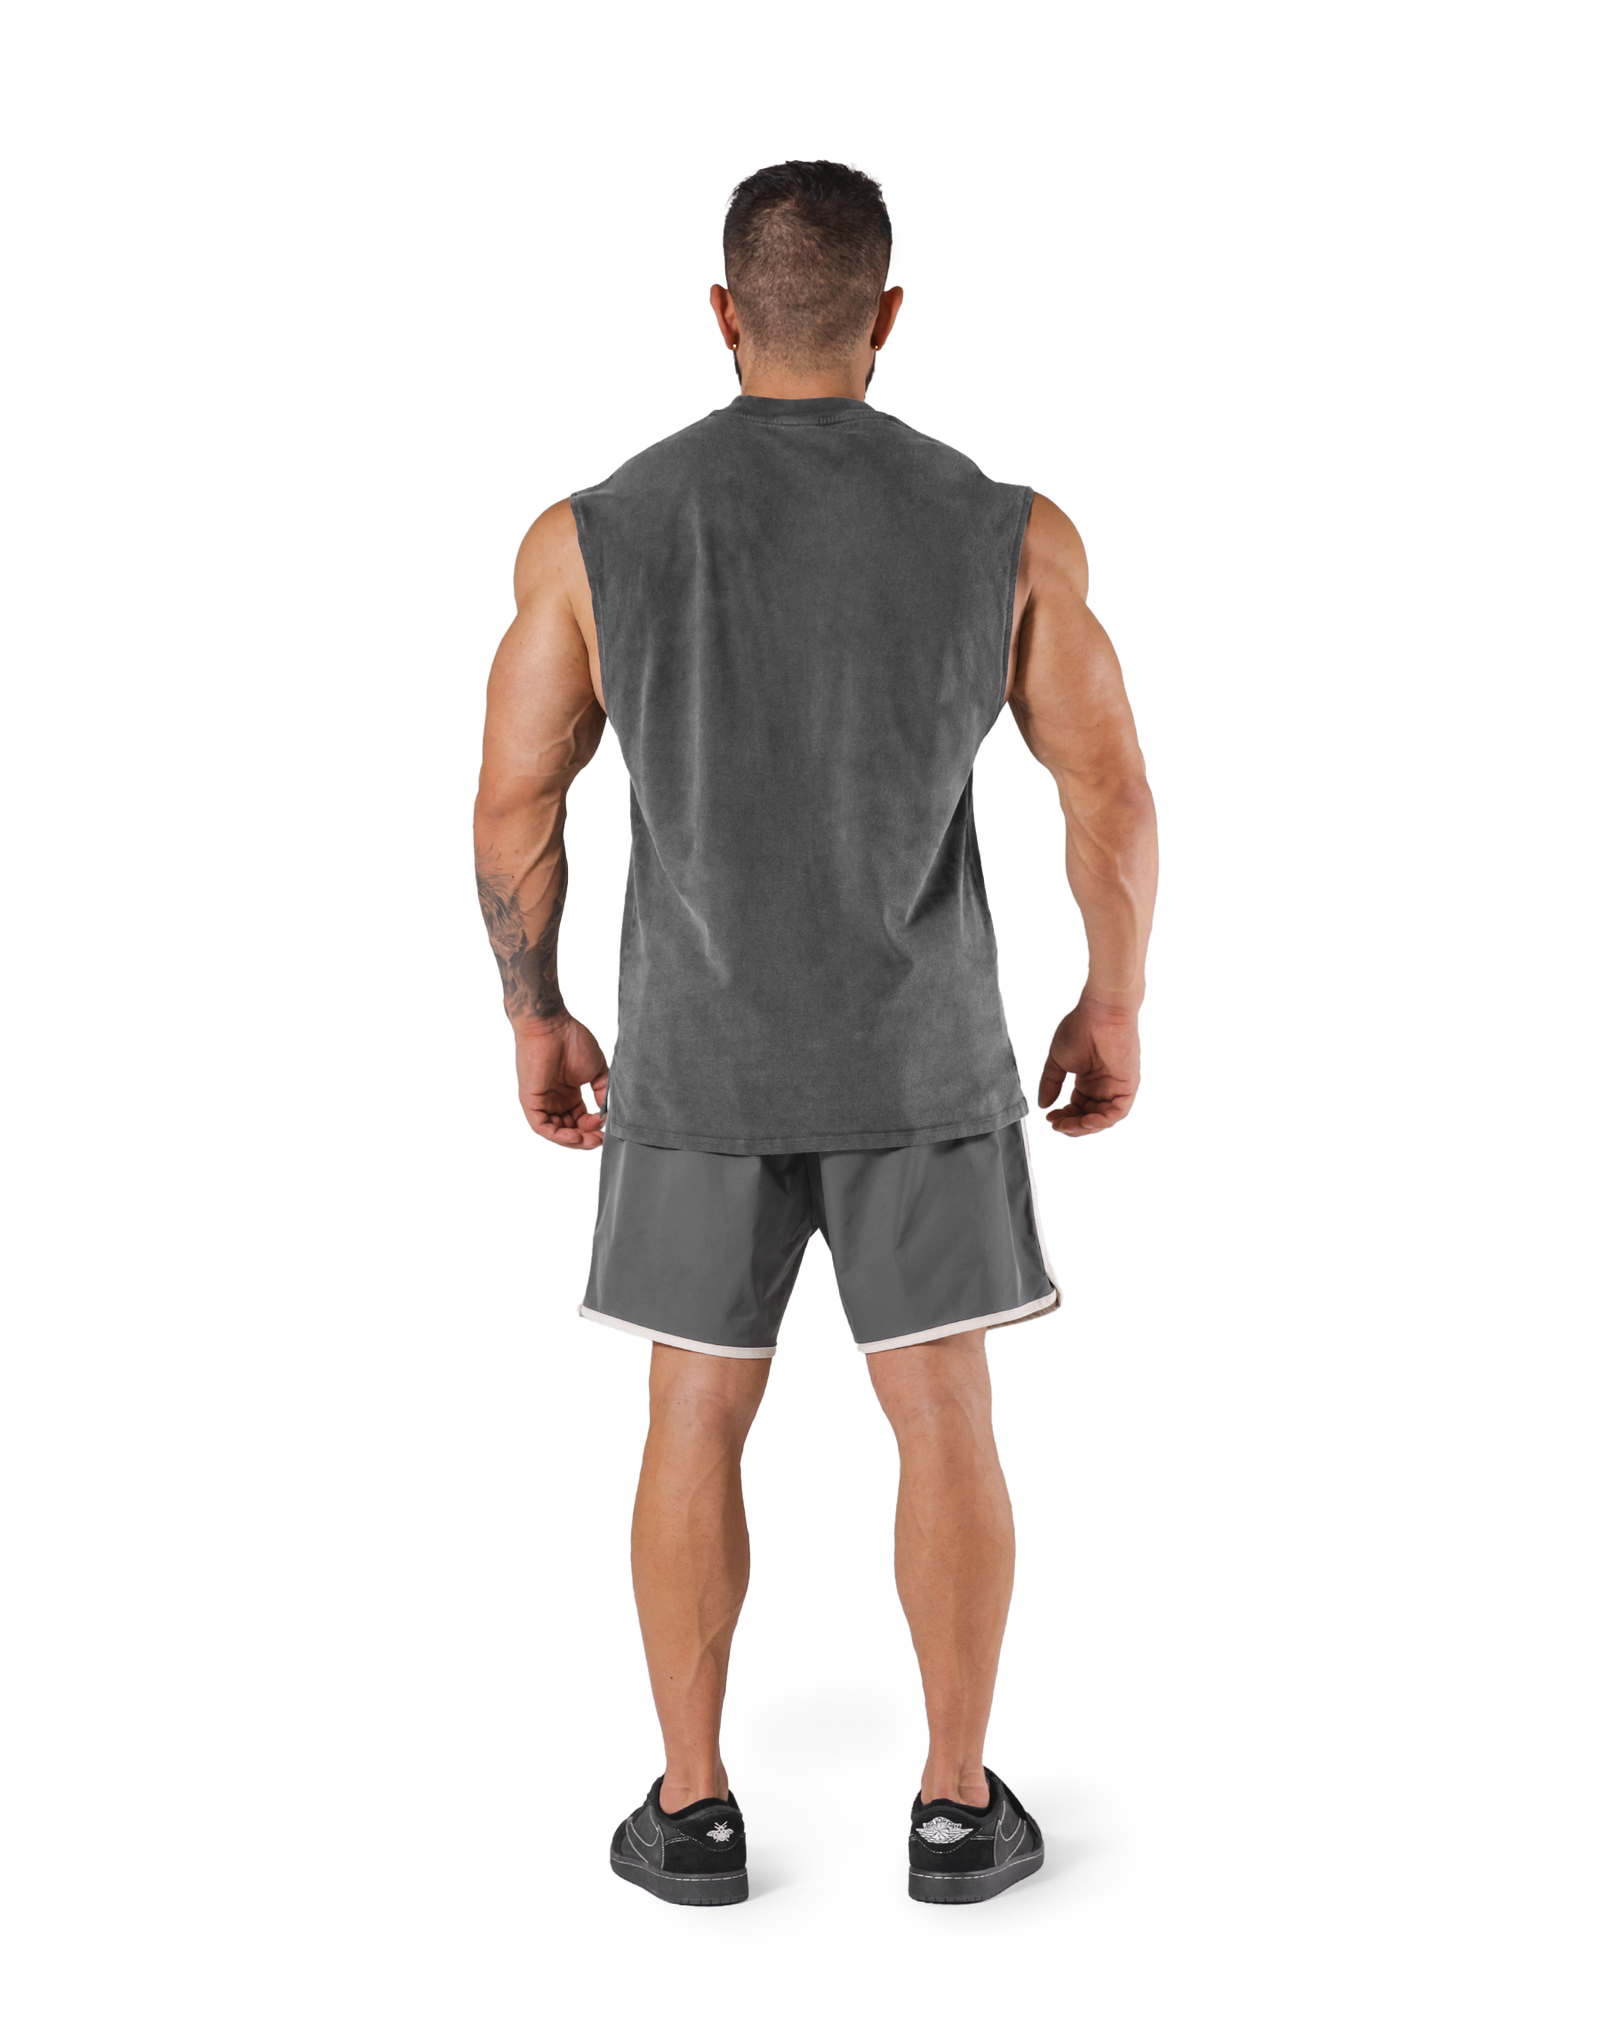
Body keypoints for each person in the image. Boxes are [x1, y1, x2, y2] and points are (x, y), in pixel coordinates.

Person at [470, 158, 1160, 1908]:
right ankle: (958, 1812)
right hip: (923, 1061)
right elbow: (1108, 791)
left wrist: (539, 1017)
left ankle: (694, 1814)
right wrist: (1113, 996)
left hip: (695, 1065)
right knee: (946, 1417)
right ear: (888, 316)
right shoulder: (1009, 525)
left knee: (690, 1419)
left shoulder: (589, 531)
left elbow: (513, 804)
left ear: (722, 311)